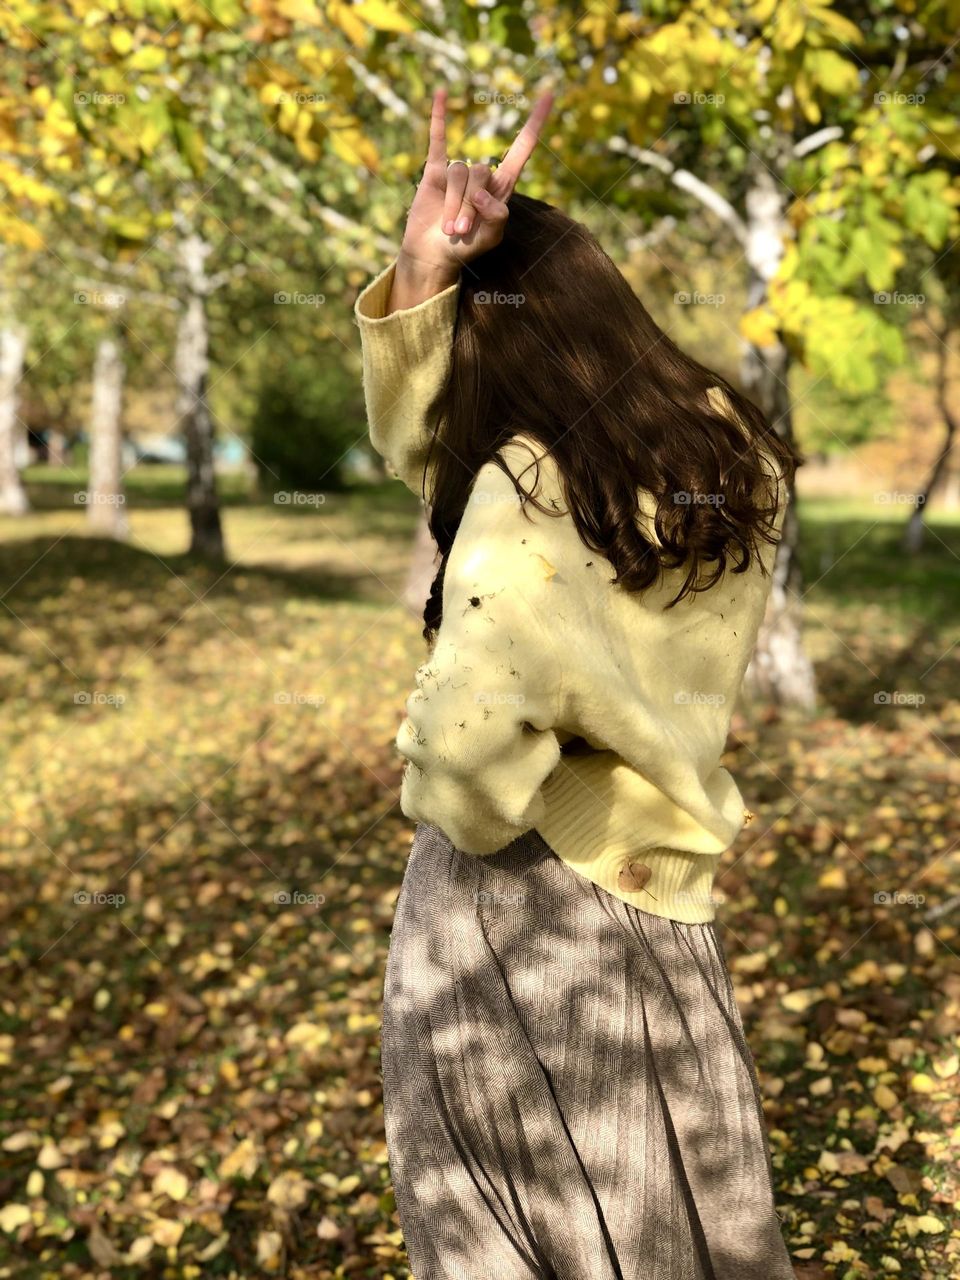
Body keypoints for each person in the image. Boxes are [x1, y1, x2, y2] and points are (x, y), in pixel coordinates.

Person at [354, 86, 798, 1280]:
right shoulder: (732, 451)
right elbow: (426, 449)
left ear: (495, 345)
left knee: (504, 1222)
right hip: (663, 890)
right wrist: (424, 271)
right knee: (667, 1207)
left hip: (519, 904)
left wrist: (438, 791)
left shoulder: (525, 486)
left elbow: (469, 759)